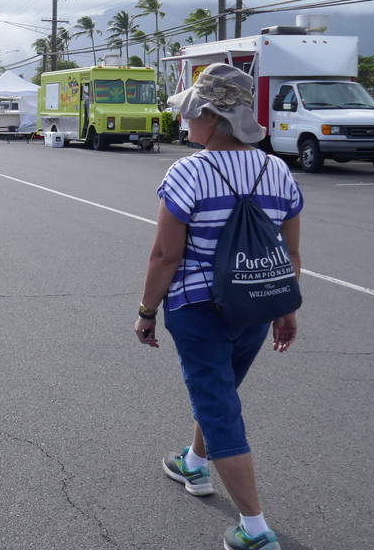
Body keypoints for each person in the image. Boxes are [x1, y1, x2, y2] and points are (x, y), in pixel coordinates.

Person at [134, 63, 303, 550]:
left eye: (191, 113)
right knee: (219, 395)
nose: (185, 121)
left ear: (211, 116)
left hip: (199, 310)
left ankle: (255, 530)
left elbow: (165, 255)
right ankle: (193, 463)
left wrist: (146, 311)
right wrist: (286, 309)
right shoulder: (277, 170)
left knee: (220, 409)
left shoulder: (188, 172)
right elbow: (289, 252)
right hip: (256, 307)